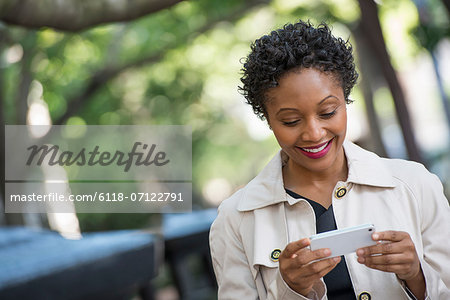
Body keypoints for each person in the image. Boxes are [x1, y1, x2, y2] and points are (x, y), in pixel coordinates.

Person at [209, 20, 450, 300]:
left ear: (345, 100)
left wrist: (416, 276)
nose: (314, 133)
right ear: (268, 120)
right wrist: (291, 290)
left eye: (327, 112)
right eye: (291, 120)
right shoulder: (236, 220)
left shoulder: (414, 185)